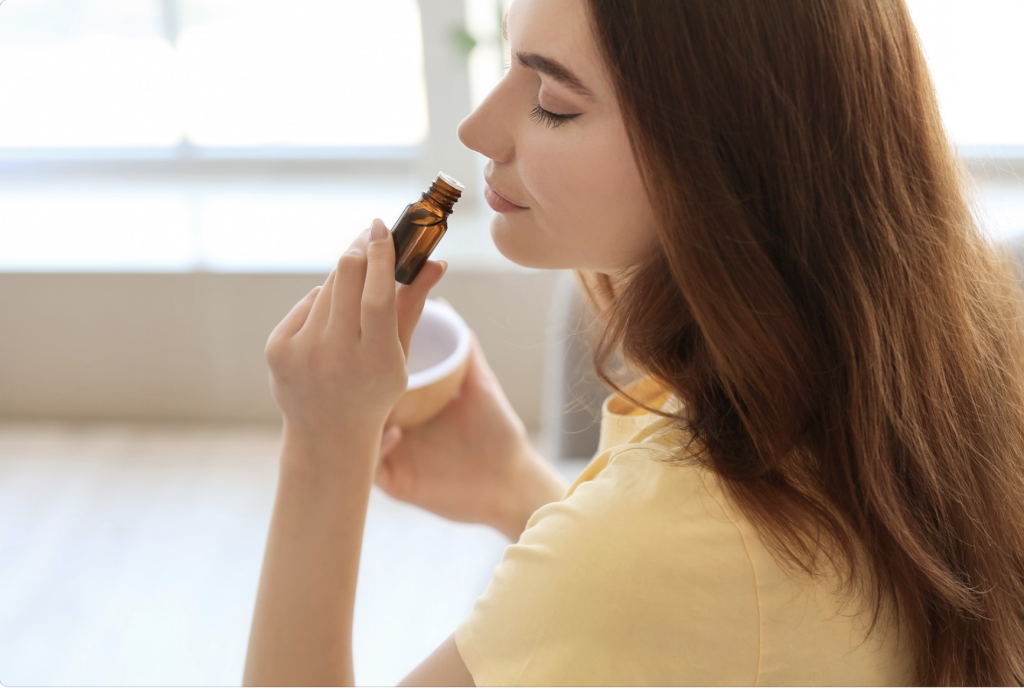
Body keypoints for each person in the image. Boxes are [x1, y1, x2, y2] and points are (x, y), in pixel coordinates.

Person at [242, 0, 1024, 685]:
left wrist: (321, 449)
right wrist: (515, 485)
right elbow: (728, 623)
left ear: (716, 161)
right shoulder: (934, 376)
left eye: (551, 100)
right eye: (508, 58)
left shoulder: (646, 552)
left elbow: (672, 574)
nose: (477, 128)